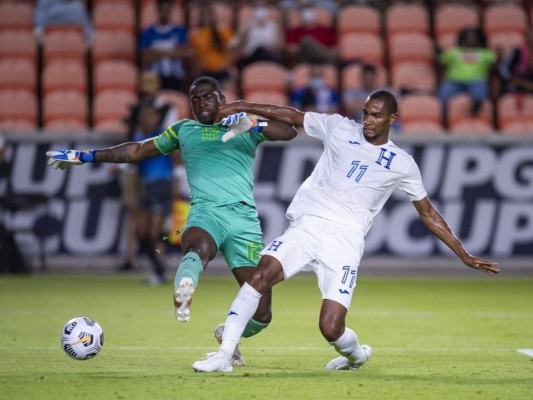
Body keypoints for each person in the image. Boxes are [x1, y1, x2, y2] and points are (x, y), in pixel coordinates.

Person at [190, 90, 501, 373]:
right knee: (262, 274)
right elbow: (290, 114)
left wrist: (464, 254)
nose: (368, 121)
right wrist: (243, 105)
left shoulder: (403, 164)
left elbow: (428, 213)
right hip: (307, 225)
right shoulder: (339, 127)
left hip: (345, 241)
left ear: (392, 119)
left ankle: (357, 356)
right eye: (365, 113)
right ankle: (224, 354)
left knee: (330, 327)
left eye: (376, 115)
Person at [46, 76, 297, 364]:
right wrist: (83, 156)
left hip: (244, 221)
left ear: (222, 101)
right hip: (207, 212)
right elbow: (138, 150)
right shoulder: (184, 130)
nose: (202, 102)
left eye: (208, 97)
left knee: (262, 314)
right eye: (196, 99)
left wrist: (254, 122)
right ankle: (185, 287)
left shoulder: (243, 126)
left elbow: (288, 132)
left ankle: (227, 332)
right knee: (195, 249)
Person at [437, 27, 497, 126]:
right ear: (462, 39)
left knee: (480, 93)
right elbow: (441, 63)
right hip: (454, 80)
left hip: (476, 80)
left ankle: (473, 112)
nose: (471, 40)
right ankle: (443, 120)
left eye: (474, 38)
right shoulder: (453, 52)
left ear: (479, 40)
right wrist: (439, 53)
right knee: (442, 96)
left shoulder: (486, 54)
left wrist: (499, 57)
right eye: (468, 38)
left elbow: (495, 67)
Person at [139, 0, 189, 91]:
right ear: (158, 10)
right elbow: (146, 56)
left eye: (167, 10)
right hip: (155, 76)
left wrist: (156, 53)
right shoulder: (148, 32)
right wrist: (171, 52)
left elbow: (182, 53)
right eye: (162, 10)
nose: (165, 13)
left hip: (175, 75)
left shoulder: (180, 31)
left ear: (171, 11)